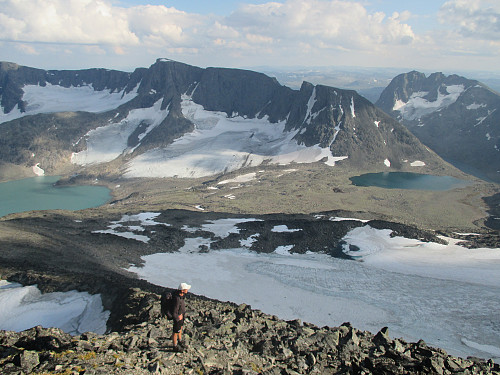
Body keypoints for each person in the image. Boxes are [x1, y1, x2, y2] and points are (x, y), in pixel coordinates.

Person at [172, 282, 191, 352]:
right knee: (175, 331)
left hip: (181, 315)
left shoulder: (181, 296)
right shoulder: (177, 299)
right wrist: (177, 318)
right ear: (182, 290)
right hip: (178, 317)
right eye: (186, 289)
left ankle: (179, 340)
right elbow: (174, 311)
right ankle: (175, 346)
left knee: (180, 328)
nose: (187, 290)